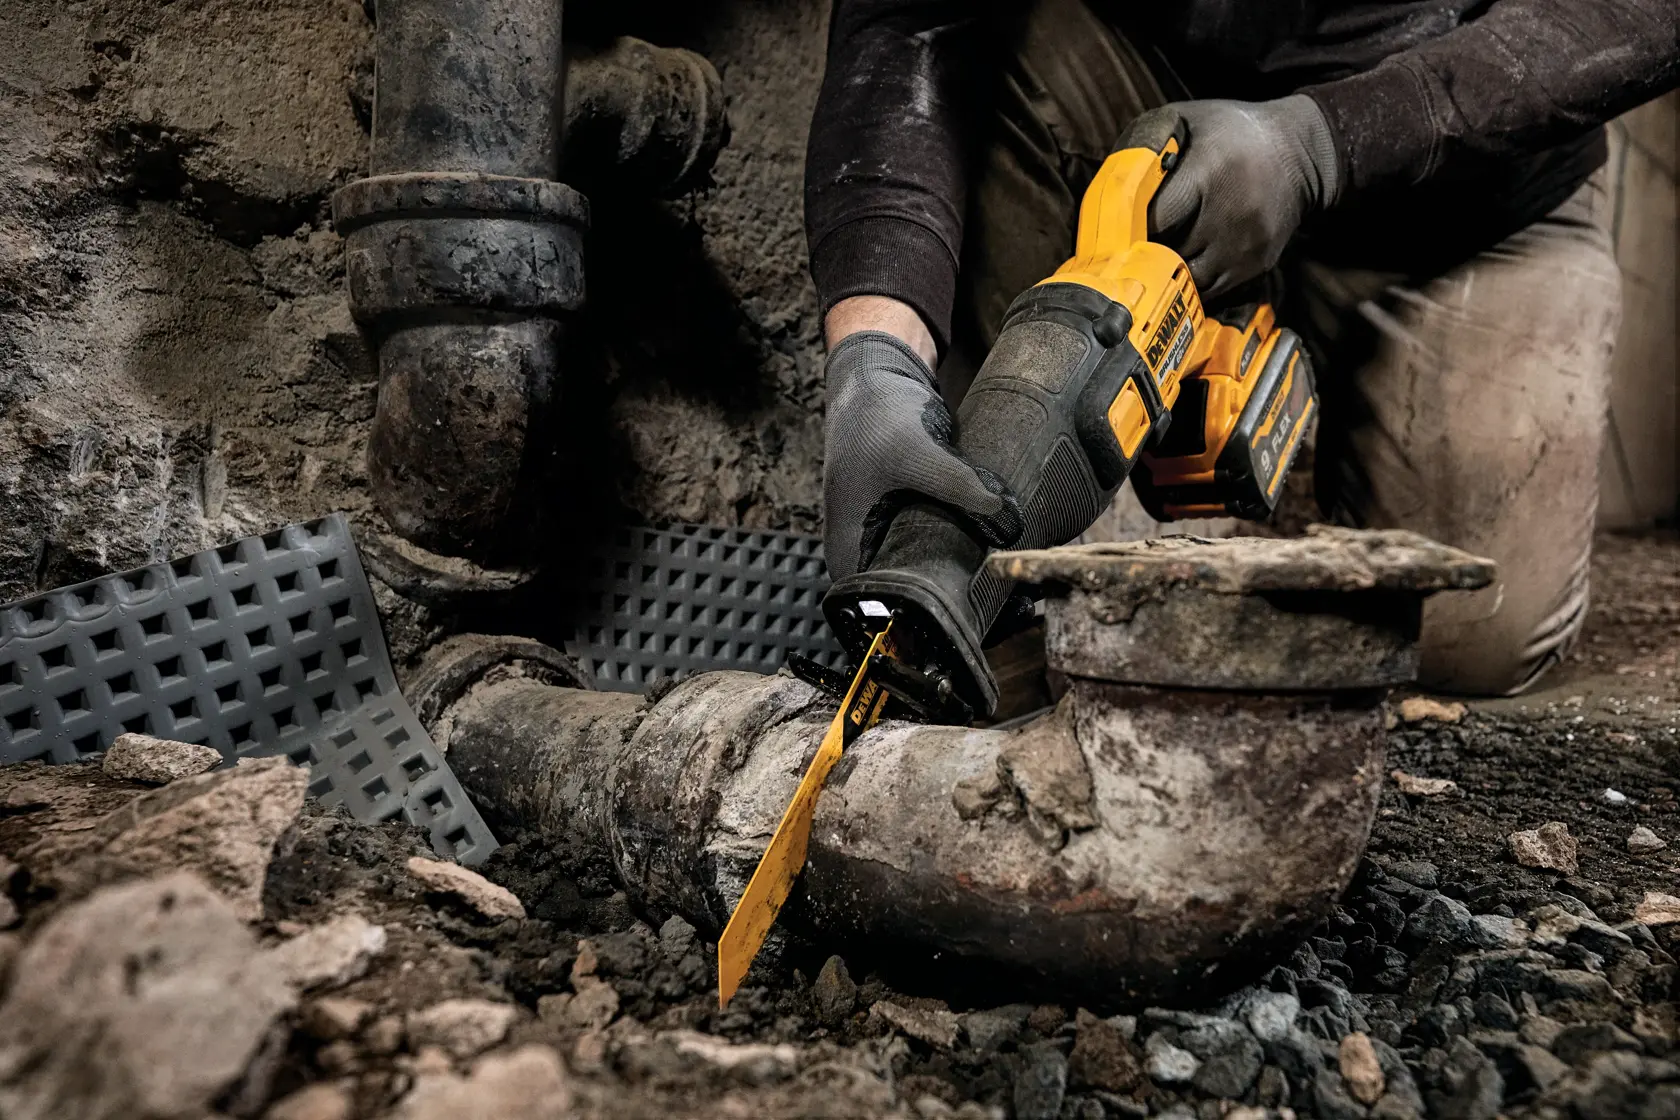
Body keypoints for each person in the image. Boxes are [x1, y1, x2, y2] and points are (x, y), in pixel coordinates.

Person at [806, 0, 1678, 695]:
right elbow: (908, 19)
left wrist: (1315, 148)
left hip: (1470, 191)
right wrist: (873, 359)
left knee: (1468, 630)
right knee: (1097, 624)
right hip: (1155, 112)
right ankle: (995, 552)